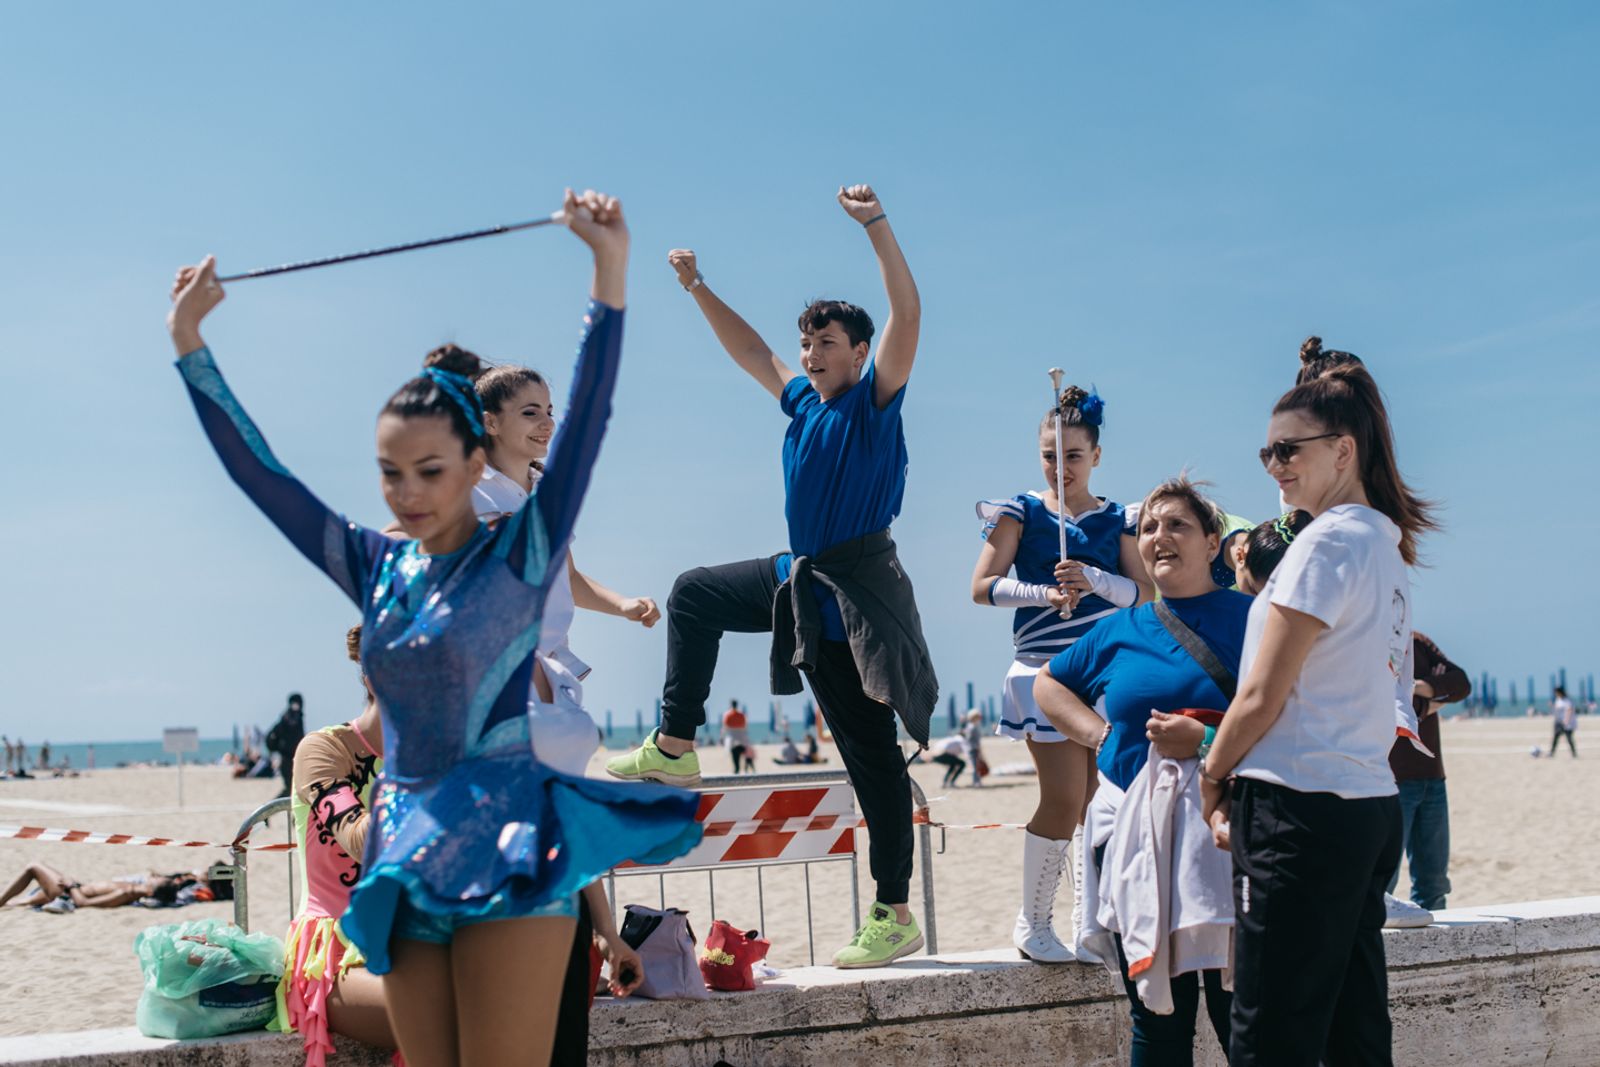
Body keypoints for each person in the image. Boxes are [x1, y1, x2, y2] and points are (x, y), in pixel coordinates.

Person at [167, 187, 701, 1067]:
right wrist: (191, 347)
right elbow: (263, 478)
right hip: (408, 851)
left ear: (470, 458)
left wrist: (609, 276)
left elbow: (590, 419)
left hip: (507, 842)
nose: (406, 492)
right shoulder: (376, 566)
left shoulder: (522, 553)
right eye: (389, 473)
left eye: (427, 468)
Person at [607, 185, 938, 969]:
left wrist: (877, 228)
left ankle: (892, 911)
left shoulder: (873, 403)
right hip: (801, 575)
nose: (812, 351)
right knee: (695, 592)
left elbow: (909, 313)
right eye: (809, 340)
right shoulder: (803, 408)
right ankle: (676, 741)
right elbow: (755, 352)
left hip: (854, 592)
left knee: (872, 757)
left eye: (826, 341)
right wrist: (696, 288)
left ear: (858, 352)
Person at [1199, 342, 1436, 1066]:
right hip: (1365, 804)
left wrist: (1212, 773)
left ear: (1342, 450)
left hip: (1299, 808)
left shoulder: (1326, 544)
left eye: (1288, 450)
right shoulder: (1384, 547)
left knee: (1271, 1035)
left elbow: (1263, 694)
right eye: (1267, 452)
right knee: (1353, 1029)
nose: (1274, 465)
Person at [1034, 477, 1250, 1065]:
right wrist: (1099, 736)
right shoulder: (1116, 629)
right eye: (1149, 527)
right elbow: (1047, 682)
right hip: (1137, 843)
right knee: (1158, 1021)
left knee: (1245, 1019)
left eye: (1177, 525)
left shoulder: (1255, 620)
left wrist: (1205, 740)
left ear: (1213, 543)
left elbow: (1292, 715)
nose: (1159, 537)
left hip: (1234, 838)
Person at [971, 384, 1152, 962]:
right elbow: (982, 587)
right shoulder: (1020, 512)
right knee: (1065, 796)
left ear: (1095, 456)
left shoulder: (1121, 519)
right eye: (1050, 455)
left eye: (1072, 456)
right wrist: (1044, 593)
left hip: (1107, 673)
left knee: (1101, 801)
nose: (1060, 467)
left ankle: (1090, 921)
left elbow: (1144, 595)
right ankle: (1032, 924)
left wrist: (1096, 581)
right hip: (1043, 673)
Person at [1387, 633, 1470, 918]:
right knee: (1385, 880)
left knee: (1434, 881)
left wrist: (1415, 687)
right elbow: (1386, 700)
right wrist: (1433, 696)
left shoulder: (1418, 642)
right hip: (1392, 780)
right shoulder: (1370, 638)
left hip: (1433, 777)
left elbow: (1460, 684)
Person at [2, 864, 226, 911]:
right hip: (74, 888)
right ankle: (14, 903)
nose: (148, 880)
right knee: (26, 899)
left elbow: (84, 903)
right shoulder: (133, 888)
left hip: (69, 895)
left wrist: (70, 887)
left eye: (152, 882)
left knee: (34, 867)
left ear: (149, 892)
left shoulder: (125, 893)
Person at [266, 694, 306, 798]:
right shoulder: (288, 718)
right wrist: (278, 749)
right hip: (287, 760)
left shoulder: (295, 717)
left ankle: (269, 810)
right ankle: (268, 809)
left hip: (294, 759)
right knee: (291, 790)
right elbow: (272, 736)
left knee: (294, 790)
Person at [722, 700, 752, 775]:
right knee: (746, 751)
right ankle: (746, 768)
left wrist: (722, 737)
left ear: (731, 705)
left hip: (732, 736)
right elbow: (745, 726)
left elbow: (725, 727)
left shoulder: (728, 714)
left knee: (734, 754)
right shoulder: (741, 715)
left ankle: (737, 768)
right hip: (741, 736)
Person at [1550, 686, 1578, 757]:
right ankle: (1551, 753)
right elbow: (1557, 710)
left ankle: (1574, 754)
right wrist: (1552, 706)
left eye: (1556, 692)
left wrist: (1566, 721)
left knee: (1569, 738)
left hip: (1568, 723)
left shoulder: (1567, 700)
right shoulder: (1558, 700)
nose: (1555, 694)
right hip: (1559, 722)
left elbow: (1569, 710)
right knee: (1556, 737)